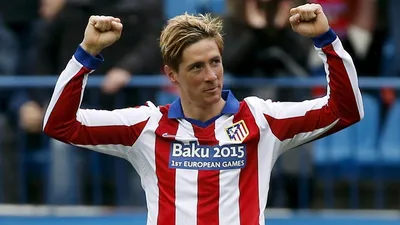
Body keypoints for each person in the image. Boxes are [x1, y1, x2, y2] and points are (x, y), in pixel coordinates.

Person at [43, 3, 364, 225]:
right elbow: (60, 124)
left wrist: (326, 41)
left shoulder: (262, 120)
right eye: (197, 67)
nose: (211, 75)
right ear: (172, 75)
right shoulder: (146, 127)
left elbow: (345, 109)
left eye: (215, 62)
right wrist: (86, 55)